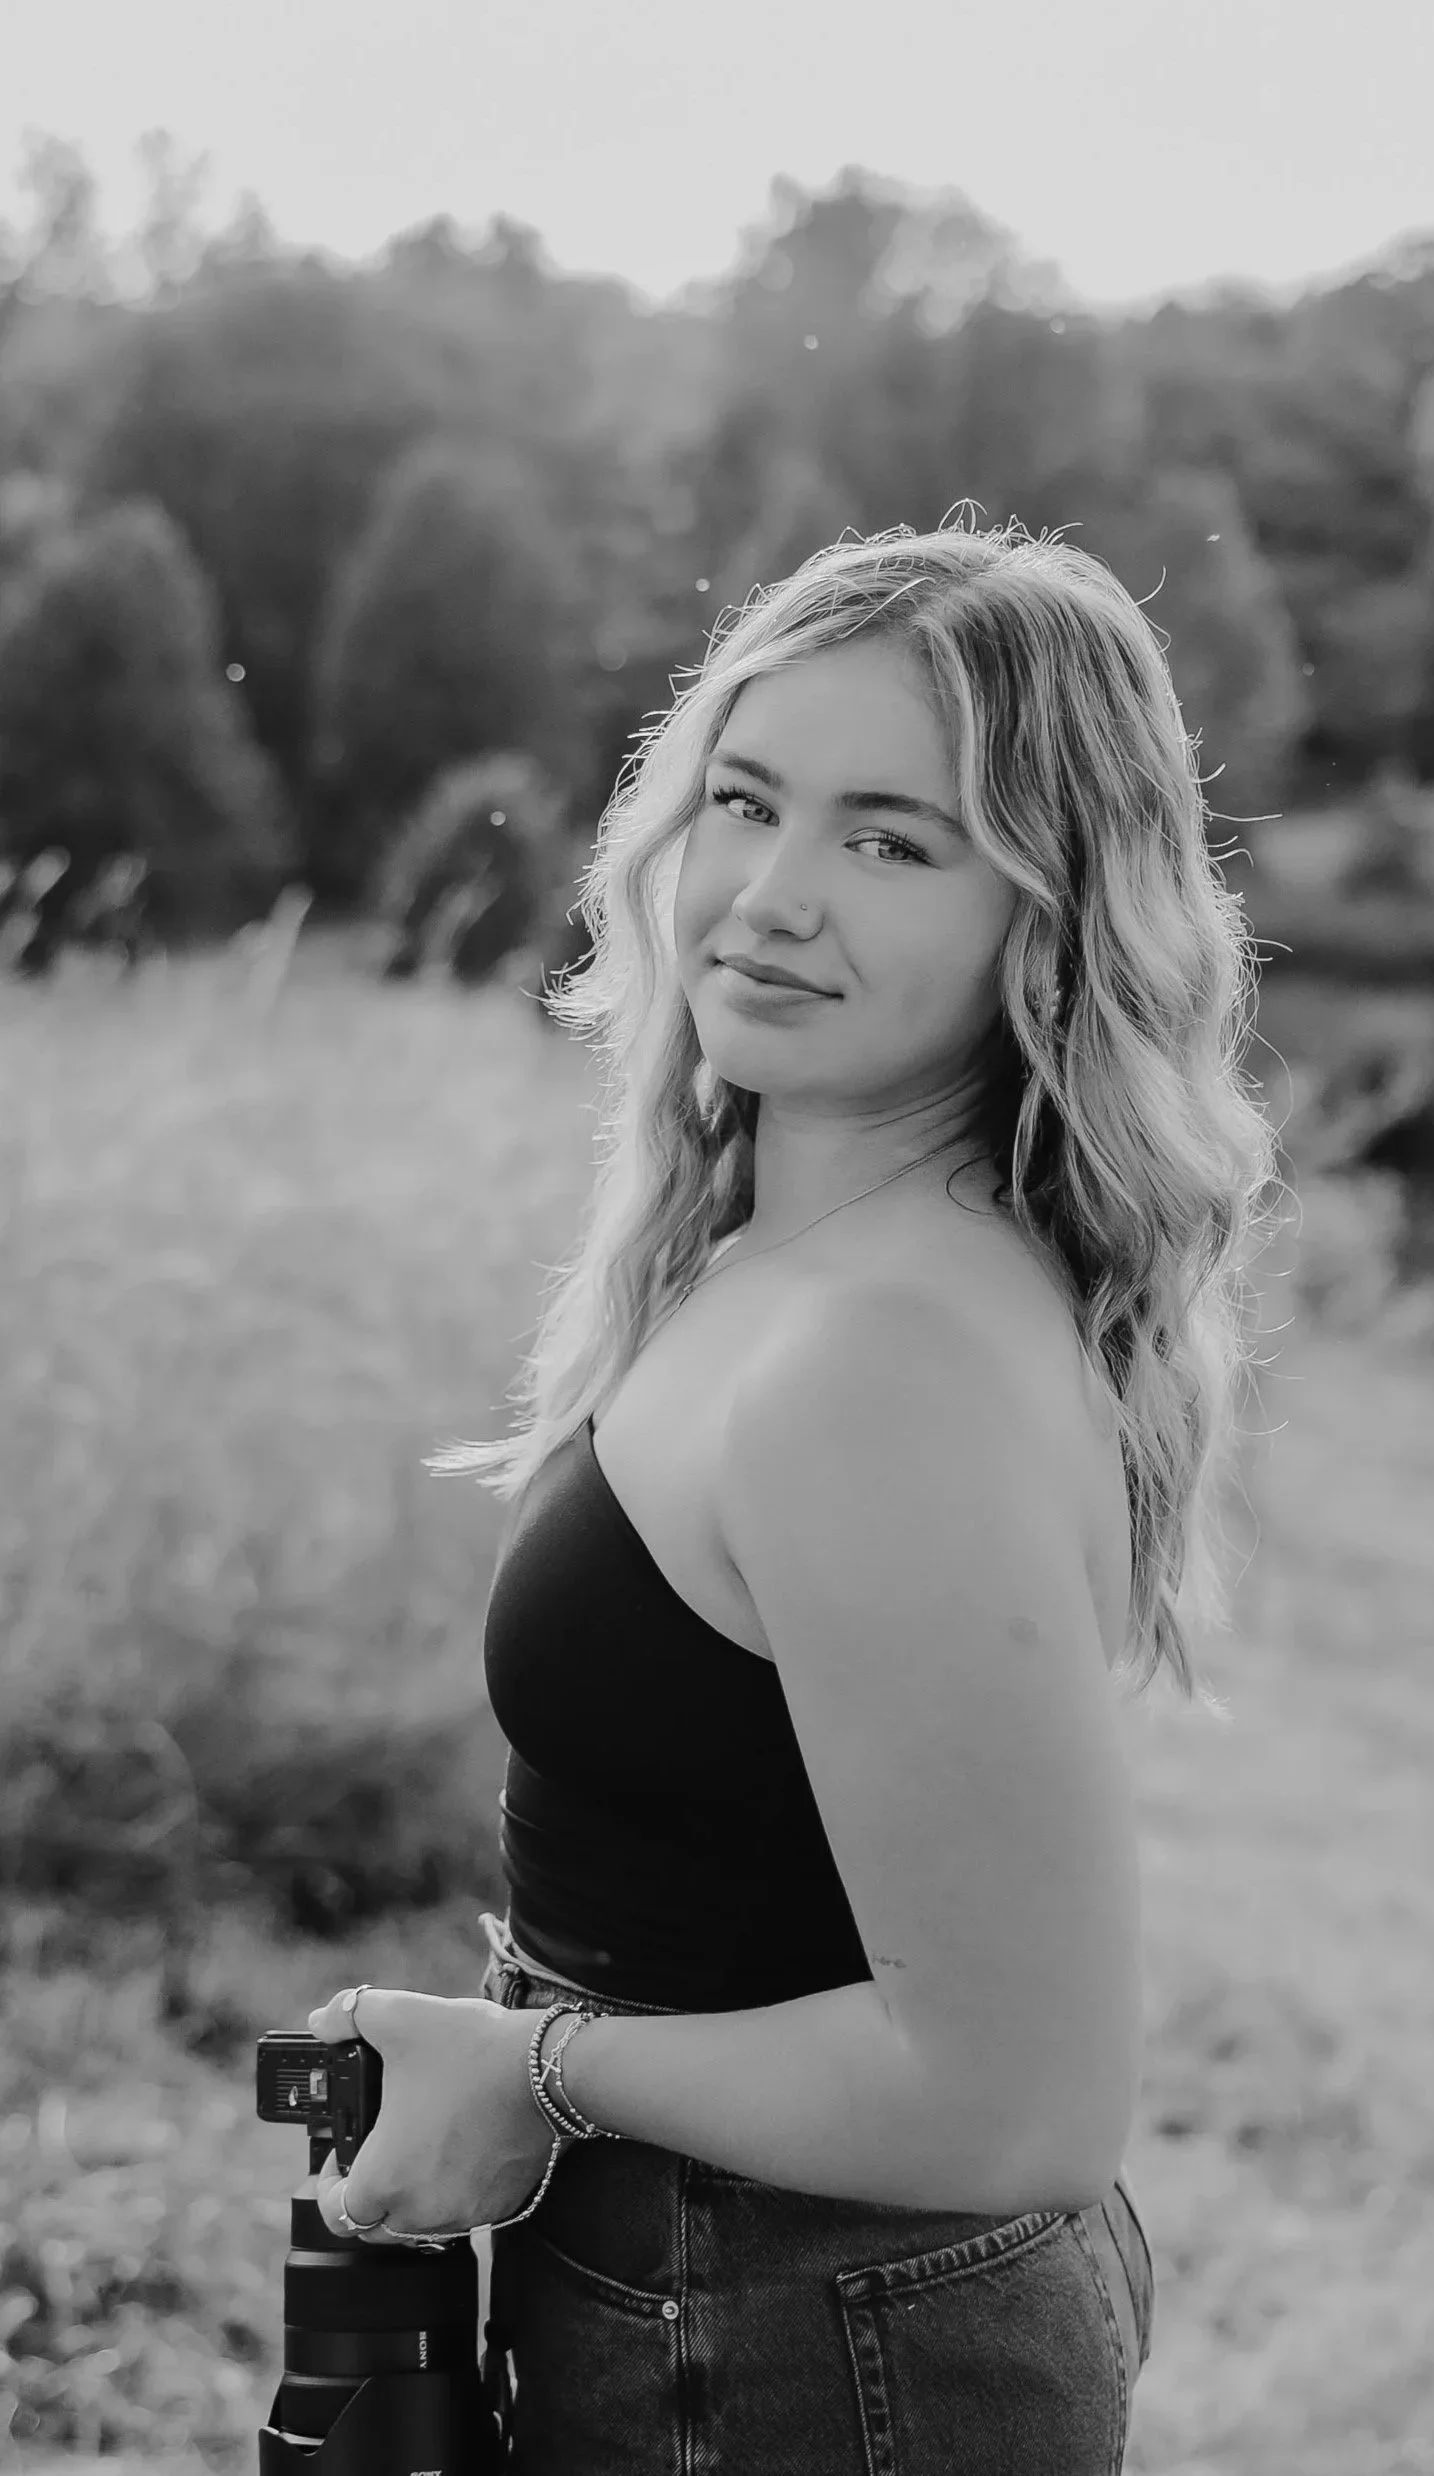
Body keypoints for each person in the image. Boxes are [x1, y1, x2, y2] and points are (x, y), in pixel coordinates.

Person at [307, 516, 1279, 2473]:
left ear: (1055, 917)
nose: (766, 891)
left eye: (892, 838)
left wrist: (535, 2065)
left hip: (792, 2336)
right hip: (754, 2303)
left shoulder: (879, 1360)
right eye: (745, 798)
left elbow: (1015, 2091)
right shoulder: (811, 1254)